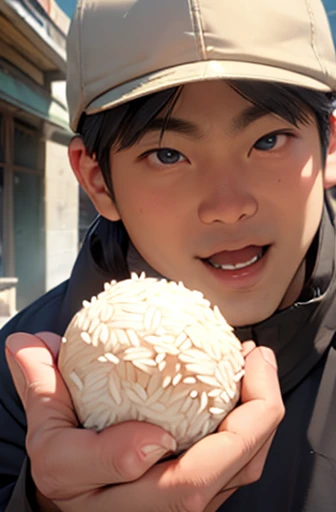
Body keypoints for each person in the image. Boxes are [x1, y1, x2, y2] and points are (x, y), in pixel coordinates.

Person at [1, 0, 336, 510]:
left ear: (329, 146)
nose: (229, 206)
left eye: (269, 139)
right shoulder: (19, 387)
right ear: (97, 179)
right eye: (167, 154)